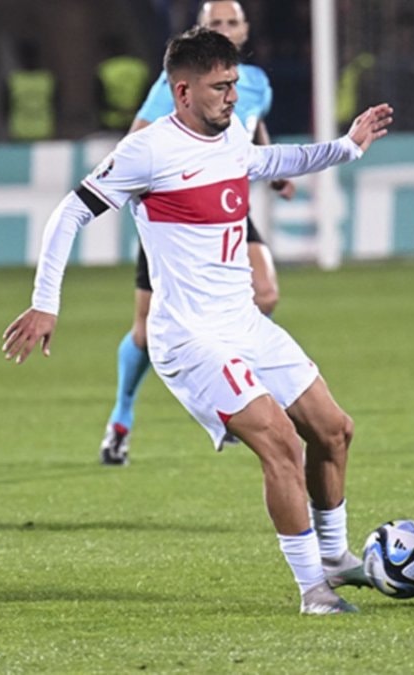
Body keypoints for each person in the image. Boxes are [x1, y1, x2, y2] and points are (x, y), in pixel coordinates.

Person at [3, 27, 395, 615]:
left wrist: (346, 147)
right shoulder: (147, 151)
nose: (232, 96)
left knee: (334, 430)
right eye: (219, 87)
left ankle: (336, 556)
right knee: (280, 442)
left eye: (234, 84)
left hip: (243, 322)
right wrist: (45, 301)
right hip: (189, 338)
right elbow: (69, 213)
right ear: (182, 92)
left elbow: (266, 160)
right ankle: (313, 589)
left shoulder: (231, 133)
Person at [99, 0, 295, 466]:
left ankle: (230, 383)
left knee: (265, 292)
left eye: (232, 22)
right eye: (215, 23)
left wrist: (274, 171)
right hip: (178, 216)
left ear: (245, 29)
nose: (225, 29)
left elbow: (252, 125)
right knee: (145, 333)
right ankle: (121, 418)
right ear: (201, 29)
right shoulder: (176, 86)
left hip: (228, 209)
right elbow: (137, 137)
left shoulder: (254, 82)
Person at [5, 41, 56, 141]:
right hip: (43, 131)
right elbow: (56, 105)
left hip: (19, 132)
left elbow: (5, 108)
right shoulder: (47, 79)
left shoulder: (14, 80)